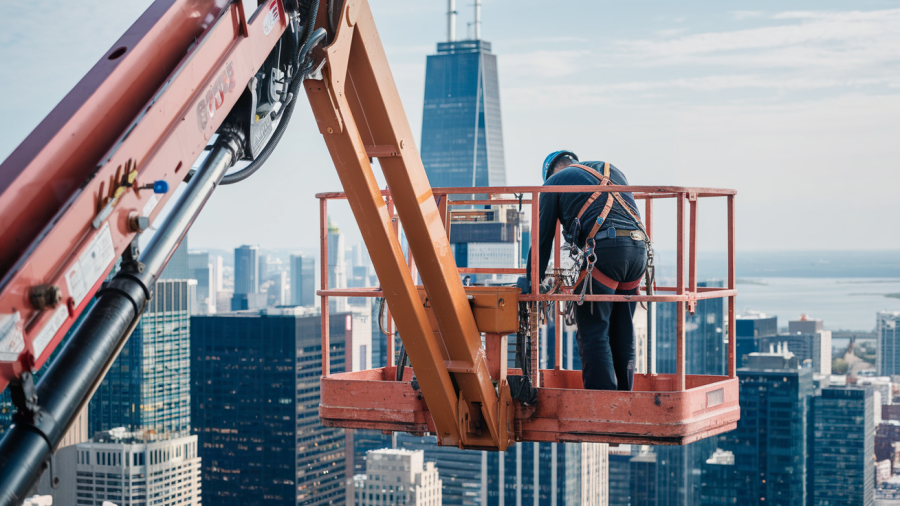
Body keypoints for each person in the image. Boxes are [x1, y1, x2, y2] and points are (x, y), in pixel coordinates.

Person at [524, 150, 647, 391]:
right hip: (638, 252)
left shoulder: (553, 184)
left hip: (607, 252)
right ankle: (626, 397)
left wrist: (532, 284)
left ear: (550, 173)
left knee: (593, 331)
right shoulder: (611, 170)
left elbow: (543, 240)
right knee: (622, 327)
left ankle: (603, 403)